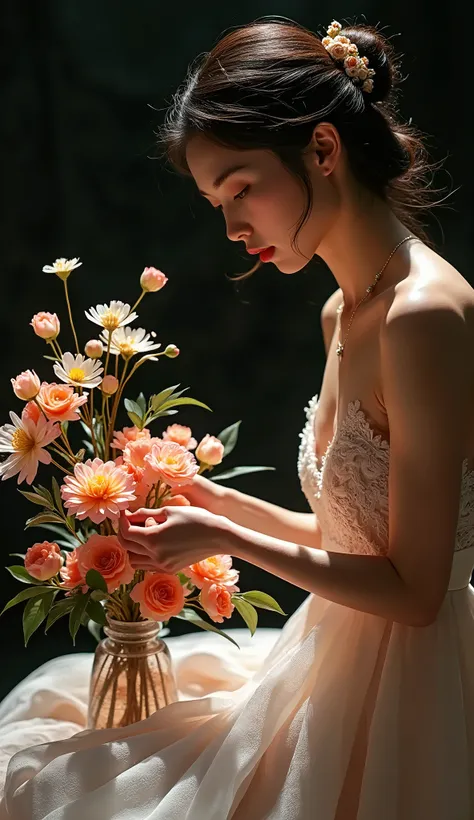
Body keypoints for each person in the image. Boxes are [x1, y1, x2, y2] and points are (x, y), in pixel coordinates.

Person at [1, 15, 473, 820]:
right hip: (331, 659)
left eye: (242, 187)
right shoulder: (340, 310)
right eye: (217, 200)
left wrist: (225, 539)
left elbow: (417, 590)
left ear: (323, 150)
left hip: (417, 691)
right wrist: (220, 505)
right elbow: (356, 536)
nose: (232, 226)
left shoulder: (422, 315)